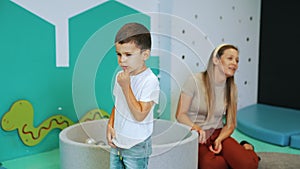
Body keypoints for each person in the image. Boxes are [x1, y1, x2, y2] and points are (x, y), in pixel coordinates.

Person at [176, 44, 260, 169]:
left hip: (218, 133)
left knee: (248, 164)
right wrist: (196, 128)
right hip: (196, 135)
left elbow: (230, 124)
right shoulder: (194, 81)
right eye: (230, 58)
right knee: (212, 165)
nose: (235, 63)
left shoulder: (232, 89)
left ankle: (246, 147)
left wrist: (219, 139)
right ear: (216, 60)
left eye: (237, 60)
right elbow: (180, 114)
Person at [106, 22, 160, 169]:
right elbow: (118, 104)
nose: (122, 60)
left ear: (145, 55)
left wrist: (126, 87)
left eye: (128, 54)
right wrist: (110, 124)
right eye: (119, 54)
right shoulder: (121, 76)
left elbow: (140, 114)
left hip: (137, 145)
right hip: (118, 142)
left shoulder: (150, 80)